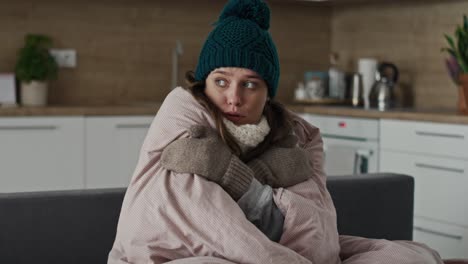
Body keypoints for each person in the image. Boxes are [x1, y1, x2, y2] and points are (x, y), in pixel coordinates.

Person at [108, 0, 448, 263]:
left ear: (268, 92)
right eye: (221, 81)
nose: (234, 98)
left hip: (285, 252)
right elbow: (181, 212)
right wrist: (265, 197)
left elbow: (317, 236)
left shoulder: (296, 137)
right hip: (181, 255)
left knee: (411, 256)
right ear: (203, 83)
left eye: (250, 84)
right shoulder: (182, 118)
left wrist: (232, 177)